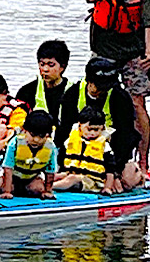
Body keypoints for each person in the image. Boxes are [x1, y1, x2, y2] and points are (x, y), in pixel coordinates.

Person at [84, 0, 150, 180]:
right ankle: (89, 157)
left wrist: (149, 54)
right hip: (103, 50)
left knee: (137, 104)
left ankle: (144, 162)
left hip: (134, 53)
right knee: (94, 100)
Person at [58, 57, 143, 190]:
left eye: (106, 87)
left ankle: (137, 175)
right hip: (77, 159)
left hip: (111, 155)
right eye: (99, 87)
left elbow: (126, 137)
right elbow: (63, 133)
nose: (102, 91)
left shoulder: (120, 97)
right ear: (89, 82)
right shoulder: (72, 95)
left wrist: (114, 174)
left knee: (127, 182)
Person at [53, 106, 120, 194]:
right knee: (58, 176)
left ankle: (50, 187)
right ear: (80, 125)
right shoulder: (70, 141)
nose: (92, 133)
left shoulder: (104, 146)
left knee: (72, 179)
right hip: (72, 174)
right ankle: (44, 184)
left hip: (93, 181)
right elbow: (60, 160)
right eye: (89, 129)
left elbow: (110, 170)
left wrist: (108, 187)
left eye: (96, 130)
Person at [0, 110, 57, 200]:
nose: (36, 140)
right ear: (24, 130)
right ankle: (12, 189)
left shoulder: (51, 147)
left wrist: (48, 191)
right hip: (11, 175)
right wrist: (7, 191)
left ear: (48, 135)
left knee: (38, 189)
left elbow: (50, 171)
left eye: (41, 136)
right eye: (33, 135)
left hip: (31, 177)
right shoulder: (15, 143)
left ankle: (21, 190)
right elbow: (8, 169)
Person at [14, 39, 71, 126]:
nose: (45, 69)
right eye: (42, 64)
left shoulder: (73, 91)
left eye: (51, 65)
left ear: (62, 67)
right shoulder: (27, 91)